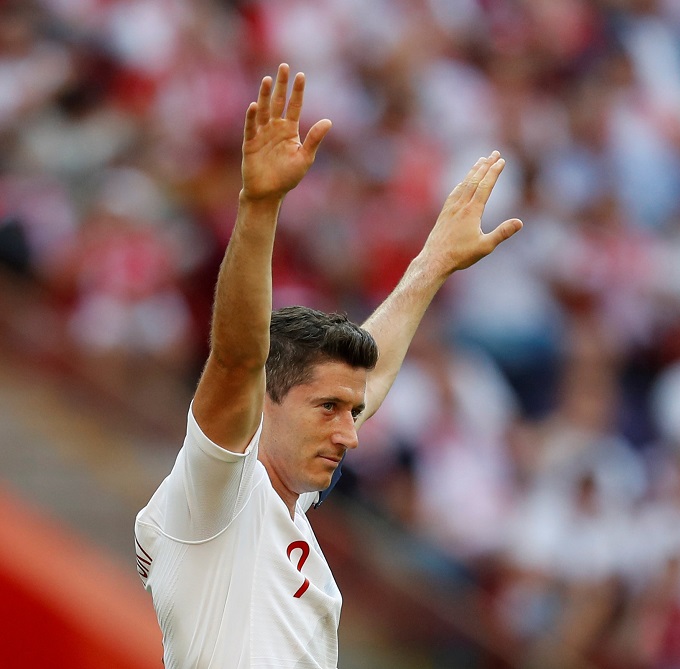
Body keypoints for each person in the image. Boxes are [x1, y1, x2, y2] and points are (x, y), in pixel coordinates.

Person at [133, 63, 522, 668]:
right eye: (327, 409)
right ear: (267, 400)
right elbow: (237, 360)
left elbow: (374, 372)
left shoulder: (288, 508)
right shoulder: (214, 500)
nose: (350, 434)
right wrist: (259, 207)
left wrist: (432, 265)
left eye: (352, 412)